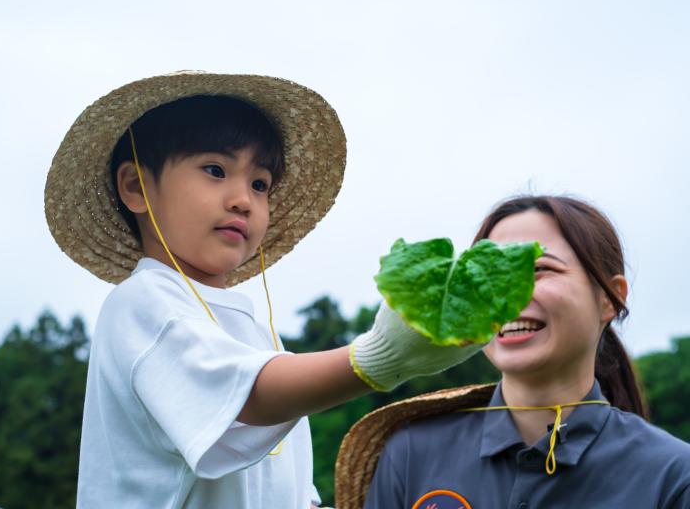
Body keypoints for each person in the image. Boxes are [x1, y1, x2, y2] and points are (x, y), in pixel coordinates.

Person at [44, 72, 482, 508]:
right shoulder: (140, 303)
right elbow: (250, 398)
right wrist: (379, 358)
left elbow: (285, 488)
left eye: (260, 184)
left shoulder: (254, 332)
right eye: (215, 170)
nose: (243, 199)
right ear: (137, 187)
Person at [356, 195, 690, 509]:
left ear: (610, 298)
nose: (508, 295)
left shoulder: (674, 475)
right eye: (487, 273)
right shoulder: (412, 453)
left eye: (537, 268)